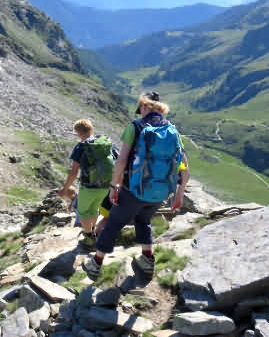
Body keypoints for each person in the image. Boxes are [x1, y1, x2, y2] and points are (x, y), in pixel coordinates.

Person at [82, 92, 189, 279]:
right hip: (160, 191)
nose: (140, 111)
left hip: (133, 191)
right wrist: (179, 193)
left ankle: (95, 263)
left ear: (144, 107)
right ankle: (147, 261)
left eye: (140, 107)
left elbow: (121, 161)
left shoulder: (135, 127)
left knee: (113, 223)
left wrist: (114, 187)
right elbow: (183, 164)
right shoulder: (172, 129)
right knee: (143, 220)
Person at [58, 119, 116, 251]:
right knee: (94, 209)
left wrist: (64, 189)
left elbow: (73, 172)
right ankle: (92, 232)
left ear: (79, 132)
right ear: (91, 129)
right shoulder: (105, 142)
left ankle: (89, 238)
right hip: (105, 186)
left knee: (83, 211)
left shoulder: (81, 146)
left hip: (88, 186)